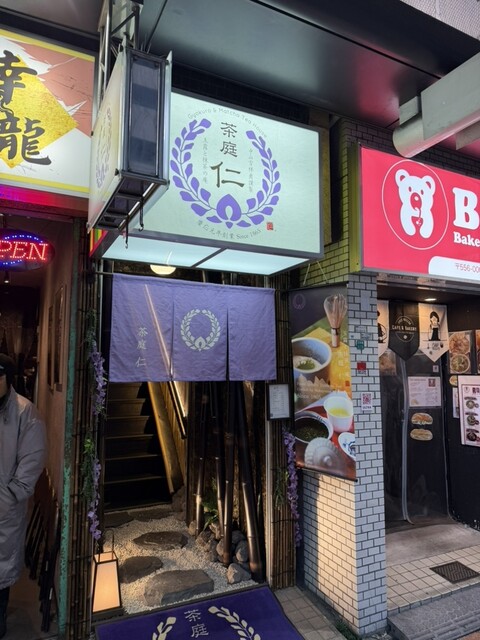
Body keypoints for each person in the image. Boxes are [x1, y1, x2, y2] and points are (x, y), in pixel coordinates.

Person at [0, 354, 46, 639]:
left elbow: (33, 457)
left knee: (1, 569)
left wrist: (10, 494)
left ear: (8, 379)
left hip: (4, 507)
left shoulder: (24, 412)